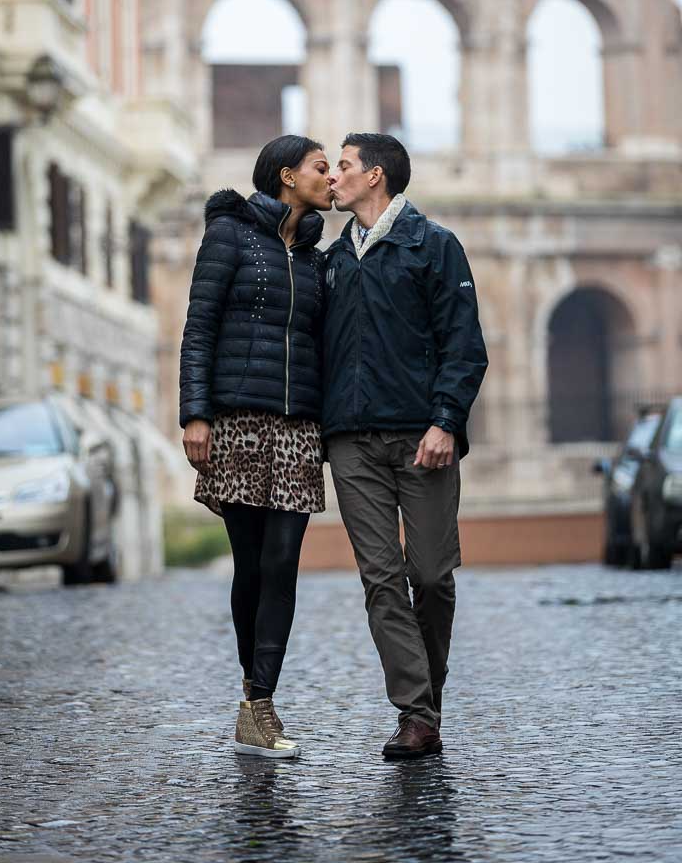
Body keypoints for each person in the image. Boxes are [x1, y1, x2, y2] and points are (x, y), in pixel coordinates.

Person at [322, 133, 488, 759]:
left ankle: (428, 702)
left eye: (343, 166)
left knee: (431, 576)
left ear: (377, 176)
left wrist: (445, 420)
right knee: (382, 579)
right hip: (351, 443)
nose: (333, 178)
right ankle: (416, 715)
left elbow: (464, 345)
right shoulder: (333, 259)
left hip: (424, 438)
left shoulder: (434, 247)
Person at [179, 134, 333, 759]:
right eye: (321, 168)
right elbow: (199, 328)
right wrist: (195, 414)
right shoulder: (230, 236)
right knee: (250, 565)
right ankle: (254, 696)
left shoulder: (320, 258)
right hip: (238, 420)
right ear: (285, 176)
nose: (330, 178)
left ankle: (260, 699)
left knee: (283, 561)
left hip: (298, 428)